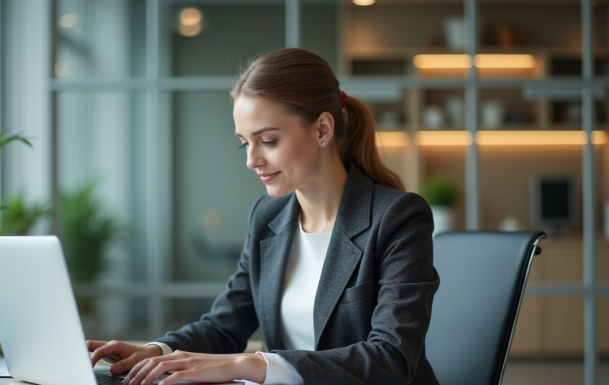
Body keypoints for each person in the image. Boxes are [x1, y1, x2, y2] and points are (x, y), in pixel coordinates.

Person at [88, 48, 440, 385]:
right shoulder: (266, 216)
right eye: (245, 143)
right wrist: (155, 351)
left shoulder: (398, 218)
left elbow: (391, 359)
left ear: (322, 129)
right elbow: (224, 326)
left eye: (268, 141)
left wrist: (249, 364)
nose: (251, 160)